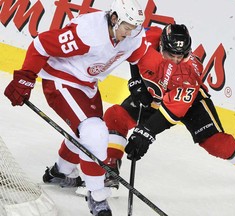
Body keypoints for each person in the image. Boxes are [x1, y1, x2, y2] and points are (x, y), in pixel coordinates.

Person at [3, 0, 149, 215]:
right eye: (127, 27)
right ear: (115, 19)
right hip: (62, 81)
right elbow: (41, 44)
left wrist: (144, 83)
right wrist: (25, 78)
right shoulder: (87, 34)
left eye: (134, 28)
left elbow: (140, 59)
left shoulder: (132, 34)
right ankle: (97, 195)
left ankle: (61, 172)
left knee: (86, 133)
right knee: (95, 132)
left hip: (87, 84)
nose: (129, 33)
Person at [103, 23, 235, 197]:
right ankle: (110, 169)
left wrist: (145, 134)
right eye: (172, 55)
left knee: (215, 144)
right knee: (115, 116)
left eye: (182, 55)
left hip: (189, 102)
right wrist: (136, 82)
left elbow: (171, 113)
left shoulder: (189, 74)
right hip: (154, 93)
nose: (177, 60)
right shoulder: (149, 36)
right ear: (161, 45)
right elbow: (132, 50)